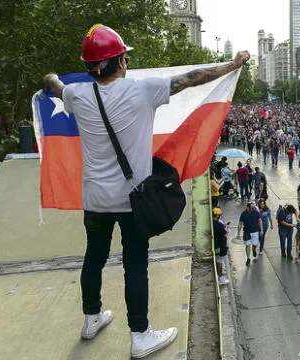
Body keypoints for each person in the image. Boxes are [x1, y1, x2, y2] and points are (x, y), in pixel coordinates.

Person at [42, 24, 249, 357]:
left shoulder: (76, 94)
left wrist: (52, 76)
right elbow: (193, 77)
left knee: (93, 256)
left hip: (95, 199)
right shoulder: (142, 90)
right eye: (124, 57)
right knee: (134, 265)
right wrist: (233, 64)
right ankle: (140, 336)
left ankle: (91, 318)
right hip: (130, 201)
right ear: (119, 62)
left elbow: (52, 83)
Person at [236, 200, 264, 267]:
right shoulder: (243, 214)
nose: (253, 209)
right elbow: (240, 224)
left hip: (255, 231)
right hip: (247, 232)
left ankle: (254, 249)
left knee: (255, 244)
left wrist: (261, 230)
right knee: (248, 245)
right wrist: (238, 234)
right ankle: (248, 258)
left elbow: (259, 221)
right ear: (248, 207)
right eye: (252, 208)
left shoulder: (256, 212)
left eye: (253, 208)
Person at [212, 208, 230, 286]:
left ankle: (220, 274)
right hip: (221, 246)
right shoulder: (218, 224)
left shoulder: (213, 223)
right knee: (220, 261)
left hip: (216, 245)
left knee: (218, 260)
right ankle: (220, 277)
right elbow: (225, 233)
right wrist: (226, 229)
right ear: (218, 215)